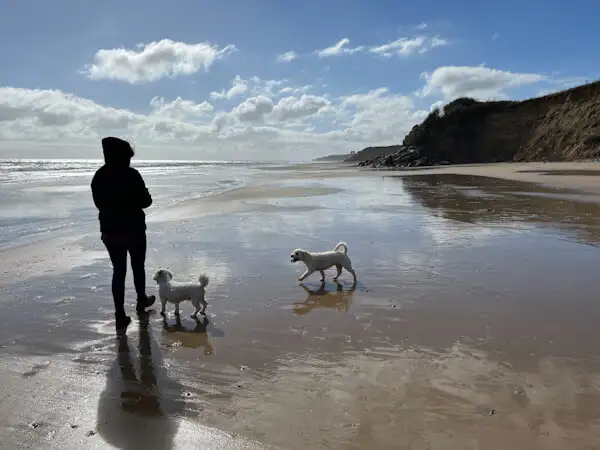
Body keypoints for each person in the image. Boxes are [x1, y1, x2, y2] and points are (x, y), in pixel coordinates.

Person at [91, 137, 155, 333]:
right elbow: (146, 202)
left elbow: (99, 205)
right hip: (134, 229)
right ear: (124, 156)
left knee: (118, 271)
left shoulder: (99, 177)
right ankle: (141, 300)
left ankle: (120, 315)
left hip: (110, 232)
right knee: (138, 266)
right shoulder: (132, 175)